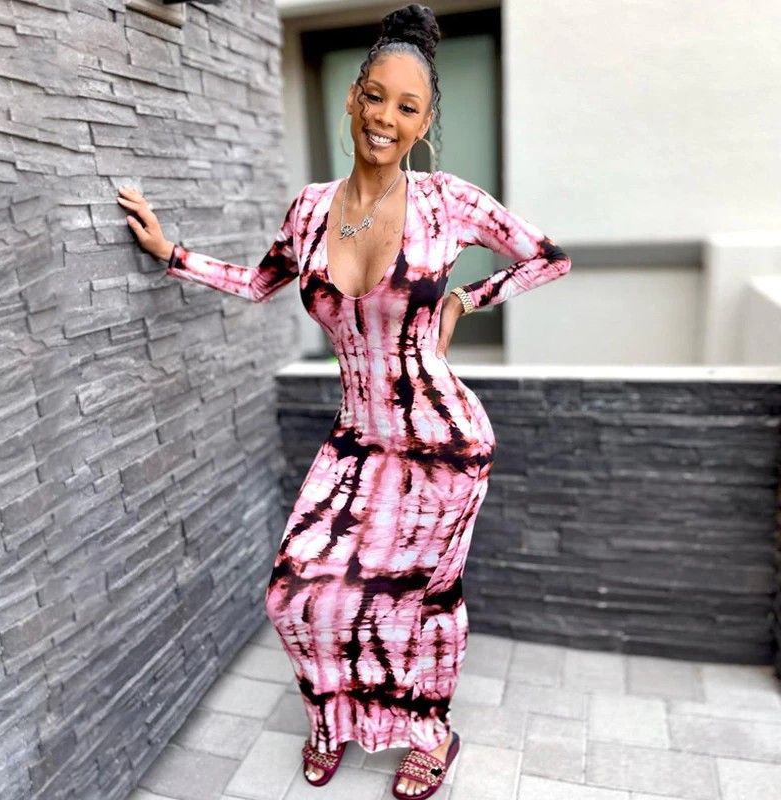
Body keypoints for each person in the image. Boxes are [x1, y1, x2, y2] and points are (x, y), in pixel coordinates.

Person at [116, 4, 571, 796]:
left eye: (407, 107)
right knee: (294, 591)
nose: (385, 117)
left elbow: (547, 257)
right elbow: (258, 283)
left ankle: (430, 735)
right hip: (357, 436)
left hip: (444, 442)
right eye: (375, 97)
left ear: (423, 124)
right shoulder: (308, 208)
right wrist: (171, 253)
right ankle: (333, 716)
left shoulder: (448, 201)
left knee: (423, 602)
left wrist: (465, 300)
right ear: (353, 98)